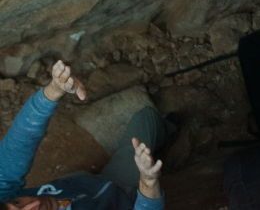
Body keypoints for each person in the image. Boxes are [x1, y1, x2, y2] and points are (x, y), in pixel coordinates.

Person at [0, 61, 166, 210]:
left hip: (83, 185)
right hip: (123, 199)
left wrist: (53, 91)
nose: (35, 203)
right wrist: (148, 184)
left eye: (17, 203)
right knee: (147, 119)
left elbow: (17, 146)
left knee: (147, 118)